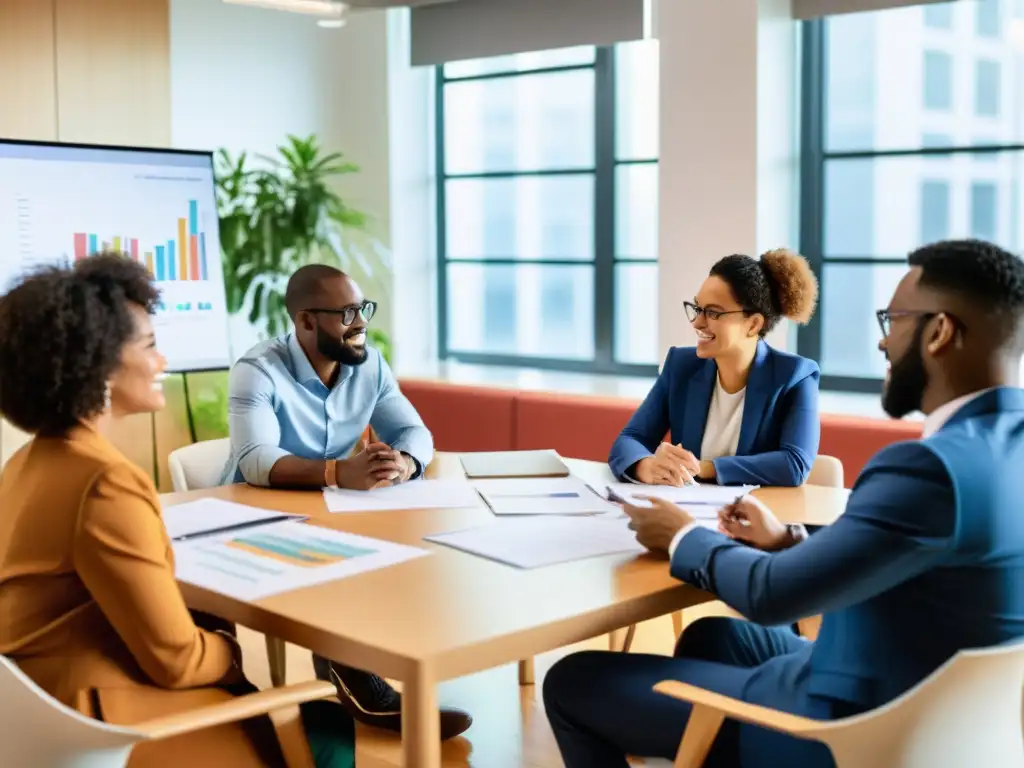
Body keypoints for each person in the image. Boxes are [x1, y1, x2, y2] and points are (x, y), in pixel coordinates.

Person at [543, 239, 1024, 768]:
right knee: (712, 636)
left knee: (571, 680)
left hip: (843, 726)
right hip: (926, 707)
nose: (884, 344)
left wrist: (681, 534)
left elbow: (773, 597)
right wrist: (786, 539)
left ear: (939, 332)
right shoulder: (1005, 451)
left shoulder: (928, 468)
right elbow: (897, 554)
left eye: (894, 320)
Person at [0, 254, 354, 767]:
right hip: (102, 730)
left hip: (33, 718)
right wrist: (230, 653)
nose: (162, 361)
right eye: (149, 346)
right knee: (327, 726)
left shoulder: (25, 463)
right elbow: (176, 660)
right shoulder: (105, 482)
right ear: (95, 365)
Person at [219, 263, 471, 740]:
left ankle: (351, 677)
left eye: (363, 309)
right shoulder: (258, 370)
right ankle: (358, 691)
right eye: (348, 313)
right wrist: (339, 472)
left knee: (407, 556)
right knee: (339, 565)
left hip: (335, 509)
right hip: (255, 518)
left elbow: (415, 432)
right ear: (307, 321)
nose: (361, 323)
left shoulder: (369, 364)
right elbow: (254, 460)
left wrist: (404, 463)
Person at [609, 249, 821, 488]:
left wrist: (704, 467)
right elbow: (630, 439)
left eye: (712, 312)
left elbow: (794, 464)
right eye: (698, 308)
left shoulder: (795, 376)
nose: (697, 322)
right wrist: (645, 466)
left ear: (753, 324)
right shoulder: (681, 366)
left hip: (756, 516)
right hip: (688, 509)